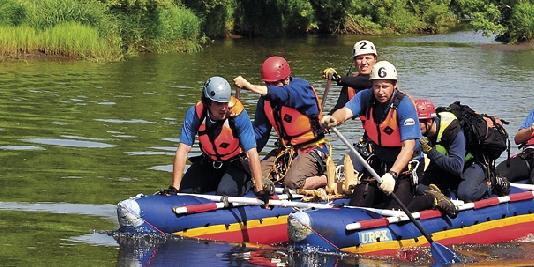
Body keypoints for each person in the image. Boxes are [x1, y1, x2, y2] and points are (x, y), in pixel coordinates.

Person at [321, 61, 422, 210]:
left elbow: (408, 148)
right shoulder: (365, 97)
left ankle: (430, 199)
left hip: (404, 164)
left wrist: (392, 174)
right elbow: (346, 111)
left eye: (385, 86)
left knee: (394, 210)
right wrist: (334, 119)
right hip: (379, 159)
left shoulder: (404, 105)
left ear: (394, 85)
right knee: (357, 205)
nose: (380, 92)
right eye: (377, 86)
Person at [160, 76, 271, 202]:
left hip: (234, 165)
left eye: (226, 102)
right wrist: (174, 188)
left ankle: (249, 183)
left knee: (225, 192)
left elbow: (251, 153)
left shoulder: (238, 114)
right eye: (218, 103)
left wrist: (260, 189)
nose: (224, 108)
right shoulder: (195, 113)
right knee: (185, 190)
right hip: (208, 162)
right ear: (207, 102)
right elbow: (183, 150)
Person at [233, 57, 329, 192]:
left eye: (274, 83)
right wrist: (242, 150)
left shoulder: (302, 90)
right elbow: (260, 133)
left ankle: (327, 177)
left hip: (313, 149)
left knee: (293, 183)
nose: (270, 88)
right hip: (286, 151)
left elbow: (284, 94)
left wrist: (249, 87)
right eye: (268, 84)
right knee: (256, 178)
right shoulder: (265, 101)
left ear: (287, 79)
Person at [408, 99, 509, 217]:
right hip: (445, 164)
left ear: (429, 121)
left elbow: (457, 167)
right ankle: (437, 195)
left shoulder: (453, 130)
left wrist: (431, 152)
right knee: (415, 184)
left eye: (418, 122)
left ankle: (492, 181)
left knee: (466, 194)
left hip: (471, 163)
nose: (414, 127)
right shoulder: (421, 132)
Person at [323, 39, 377, 113]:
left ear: (375, 60)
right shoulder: (349, 84)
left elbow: (368, 82)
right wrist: (321, 122)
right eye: (360, 58)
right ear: (354, 62)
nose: (364, 62)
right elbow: (338, 110)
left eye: (368, 58)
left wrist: (338, 78)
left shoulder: (382, 79)